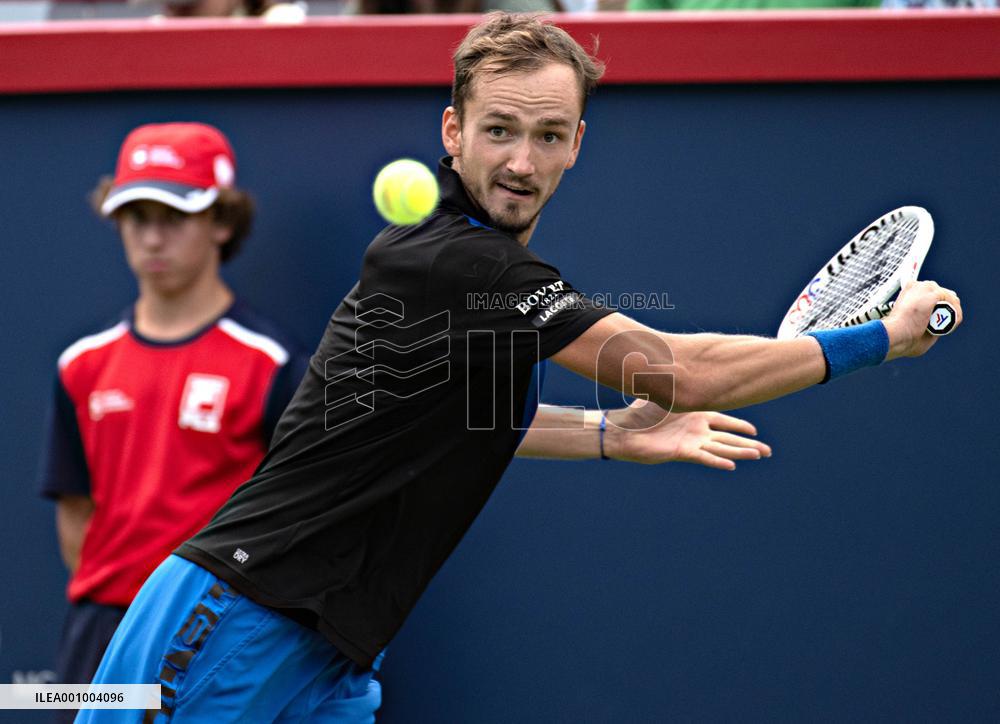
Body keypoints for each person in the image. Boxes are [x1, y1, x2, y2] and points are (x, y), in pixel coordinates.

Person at [81, 13, 961, 723]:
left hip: (338, 648)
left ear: (578, 141)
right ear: (453, 131)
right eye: (499, 130)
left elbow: (465, 420)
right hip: (235, 616)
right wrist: (880, 338)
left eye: (547, 135)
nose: (521, 162)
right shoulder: (460, 266)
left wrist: (612, 435)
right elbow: (678, 370)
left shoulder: (469, 272)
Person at [37, 122, 306, 708]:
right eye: (136, 217)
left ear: (222, 222)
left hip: (217, 632)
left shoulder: (272, 363)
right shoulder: (80, 364)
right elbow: (75, 517)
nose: (153, 237)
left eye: (174, 215)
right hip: (100, 636)